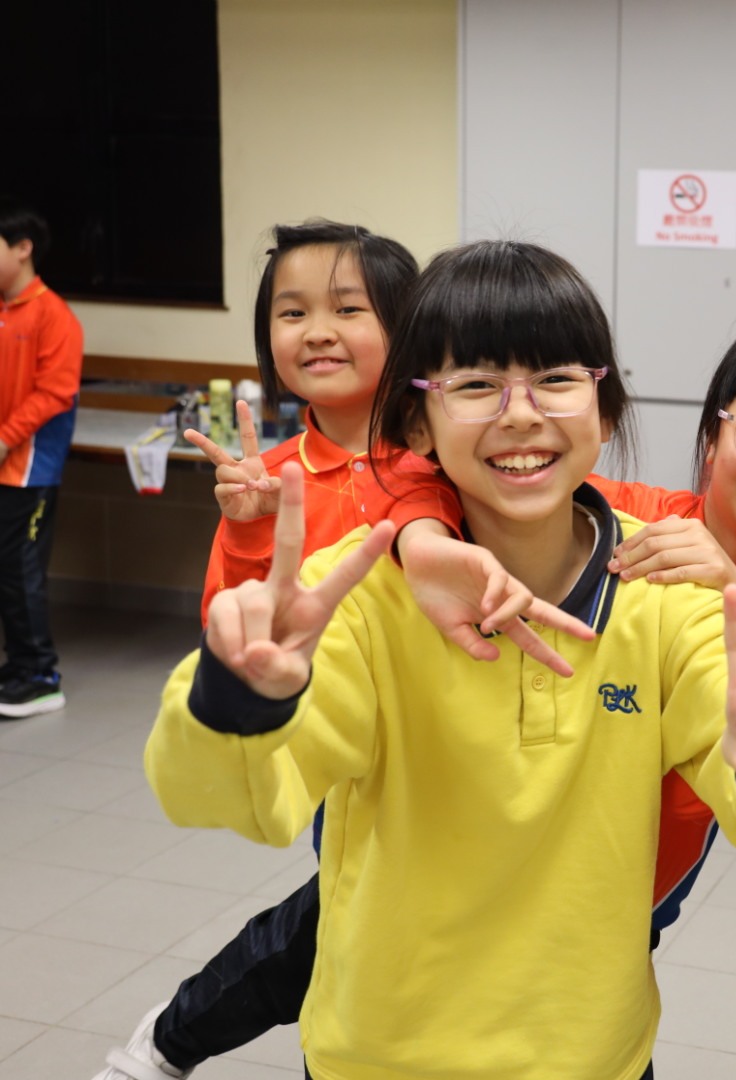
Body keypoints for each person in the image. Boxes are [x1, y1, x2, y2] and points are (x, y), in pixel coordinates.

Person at [143, 239, 736, 1080]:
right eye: (477, 384)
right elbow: (239, 801)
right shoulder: (366, 595)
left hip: (592, 1058)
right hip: (381, 1057)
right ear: (418, 423)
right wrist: (239, 699)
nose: (521, 415)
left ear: (605, 409)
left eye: (556, 379)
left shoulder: (667, 592)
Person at [96, 222, 593, 1080]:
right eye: (292, 313)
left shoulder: (453, 454)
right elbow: (234, 621)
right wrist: (247, 532)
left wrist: (418, 537)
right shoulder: (271, 475)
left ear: (411, 333)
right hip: (343, 732)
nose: (317, 331)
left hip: (477, 719)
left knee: (367, 915)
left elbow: (431, 509)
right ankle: (178, 1037)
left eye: (348, 309)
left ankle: (175, 1037)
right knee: (351, 909)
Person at [401, 305, 736, 936]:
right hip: (463, 862)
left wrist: (726, 605)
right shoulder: (616, 517)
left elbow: (711, 789)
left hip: (614, 913)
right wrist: (419, 531)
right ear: (712, 436)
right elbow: (435, 471)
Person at [0, 198, 83, 719]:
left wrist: (5, 439)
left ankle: (40, 676)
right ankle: (18, 666)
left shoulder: (54, 316)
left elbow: (54, 392)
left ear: (22, 249)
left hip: (29, 468)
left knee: (20, 569)